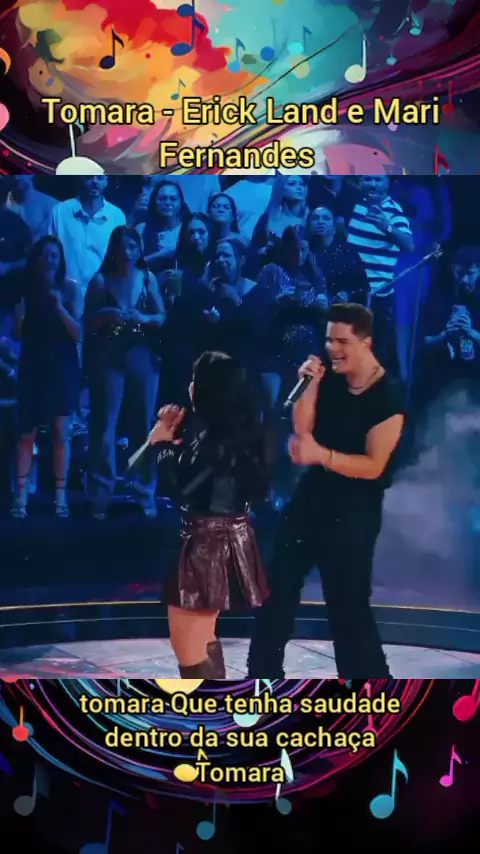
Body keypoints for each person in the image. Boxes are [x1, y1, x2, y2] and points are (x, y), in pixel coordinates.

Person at [247, 303, 405, 679]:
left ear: (366, 342)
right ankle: (262, 677)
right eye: (329, 339)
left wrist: (322, 454)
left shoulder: (387, 398)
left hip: (355, 509)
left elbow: (373, 465)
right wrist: (310, 386)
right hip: (313, 496)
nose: (332, 348)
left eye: (342, 341)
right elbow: (304, 432)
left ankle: (369, 687)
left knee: (347, 604)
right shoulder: (330, 376)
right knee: (275, 588)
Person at [147, 351, 273, 677]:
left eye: (195, 380)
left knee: (189, 645)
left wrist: (161, 446)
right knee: (202, 637)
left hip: (208, 545)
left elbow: (181, 488)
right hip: (227, 536)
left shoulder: (216, 442)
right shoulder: (238, 431)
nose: (190, 386)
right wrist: (175, 432)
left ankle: (206, 705)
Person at [84, 226, 166, 520]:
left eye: (133, 246)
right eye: (122, 246)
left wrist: (143, 317)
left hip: (141, 353)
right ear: (113, 249)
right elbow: (86, 320)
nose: (127, 252)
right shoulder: (100, 280)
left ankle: (144, 492)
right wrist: (106, 315)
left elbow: (161, 316)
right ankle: (100, 494)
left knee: (143, 424)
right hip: (108, 355)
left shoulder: (147, 278)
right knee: (105, 424)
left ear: (139, 249)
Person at [11, 236, 83, 519]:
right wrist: (20, 318)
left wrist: (60, 307)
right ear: (37, 258)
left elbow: (78, 333)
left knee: (60, 432)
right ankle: (21, 497)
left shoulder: (70, 288)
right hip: (33, 364)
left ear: (61, 259)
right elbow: (18, 334)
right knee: (26, 434)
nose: (50, 260)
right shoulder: (25, 289)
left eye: (55, 255)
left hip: (62, 365)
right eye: (45, 255)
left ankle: (60, 498)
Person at [346, 175, 413, 374]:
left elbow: (409, 245)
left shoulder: (394, 212)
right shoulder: (356, 205)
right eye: (367, 179)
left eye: (378, 180)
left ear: (388, 184)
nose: (372, 184)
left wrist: (387, 227)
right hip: (351, 290)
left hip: (377, 294)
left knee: (372, 354)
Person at [48, 176, 126, 295]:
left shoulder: (117, 216)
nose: (95, 182)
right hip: (64, 293)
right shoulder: (60, 211)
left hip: (101, 294)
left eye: (100, 177)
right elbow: (48, 254)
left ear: (106, 181)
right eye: (89, 177)